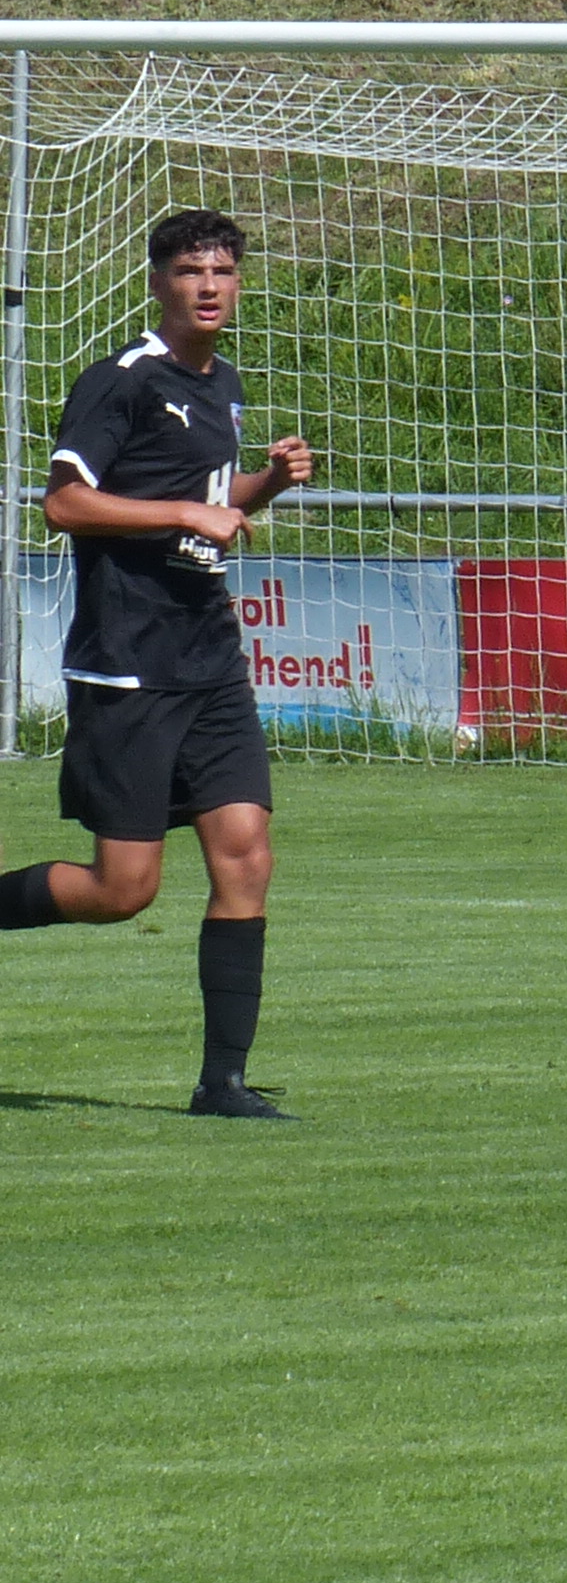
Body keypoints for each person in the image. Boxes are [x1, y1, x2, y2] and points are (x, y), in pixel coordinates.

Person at [0, 211, 319, 1116]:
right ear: (157, 282)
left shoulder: (224, 387)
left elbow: (212, 503)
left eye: (222, 270)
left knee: (246, 856)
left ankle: (222, 1082)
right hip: (128, 665)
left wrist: (267, 485)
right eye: (189, 270)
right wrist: (186, 515)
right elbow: (65, 505)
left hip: (209, 659)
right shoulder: (121, 383)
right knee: (122, 889)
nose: (208, 285)